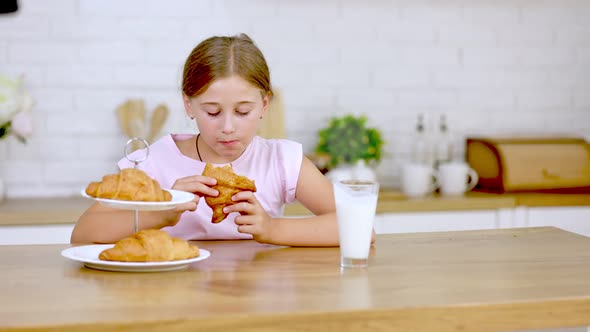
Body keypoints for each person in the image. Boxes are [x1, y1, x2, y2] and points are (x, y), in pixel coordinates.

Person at [71, 33, 349, 247]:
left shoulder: (282, 160)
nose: (228, 127)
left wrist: (273, 229)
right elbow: (83, 234)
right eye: (212, 112)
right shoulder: (154, 161)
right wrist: (161, 212)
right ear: (189, 105)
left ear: (265, 105)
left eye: (243, 111)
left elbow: (357, 228)